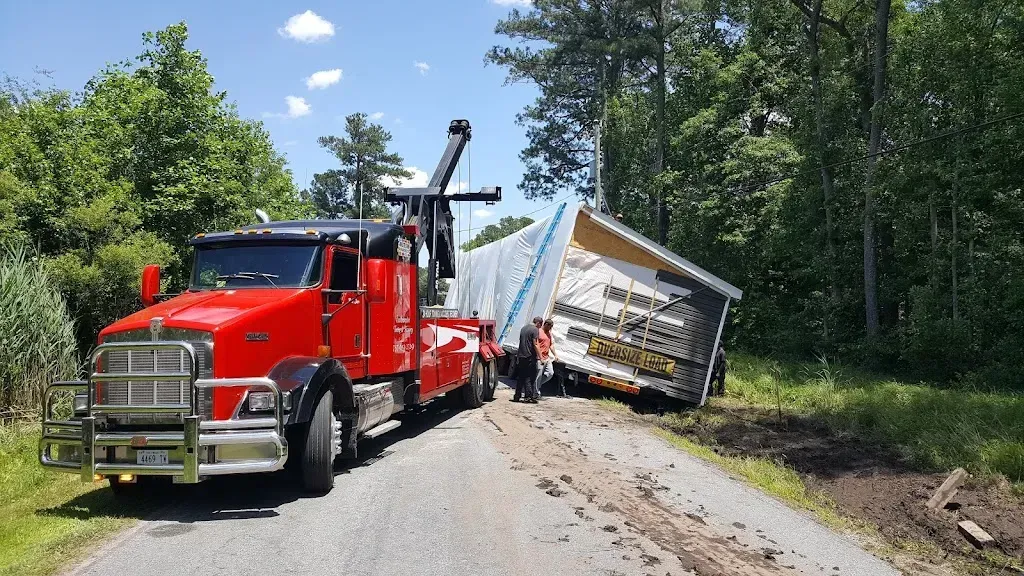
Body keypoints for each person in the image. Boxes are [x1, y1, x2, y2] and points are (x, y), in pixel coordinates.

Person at [513, 317, 543, 403]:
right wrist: (540, 357)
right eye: (540, 325)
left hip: (521, 355)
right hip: (529, 356)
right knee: (530, 377)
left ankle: (517, 396)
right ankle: (529, 397)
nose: (539, 327)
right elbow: (535, 344)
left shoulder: (524, 328)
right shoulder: (535, 330)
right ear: (538, 323)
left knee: (521, 377)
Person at [534, 318, 559, 398]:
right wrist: (540, 356)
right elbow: (536, 344)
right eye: (550, 326)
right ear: (545, 324)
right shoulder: (539, 332)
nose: (550, 328)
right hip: (540, 357)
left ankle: (536, 385)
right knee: (538, 375)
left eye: (551, 327)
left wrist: (555, 355)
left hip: (547, 357)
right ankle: (536, 393)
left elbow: (551, 345)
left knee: (550, 373)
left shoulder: (549, 334)